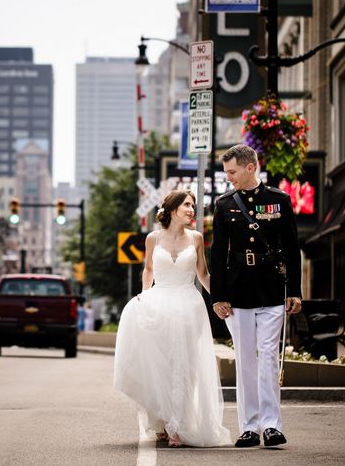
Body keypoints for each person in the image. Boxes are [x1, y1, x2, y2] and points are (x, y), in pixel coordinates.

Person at [114, 190, 230, 448]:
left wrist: (220, 299)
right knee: (161, 366)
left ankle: (178, 426)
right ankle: (162, 421)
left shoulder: (197, 238)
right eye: (187, 205)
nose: (192, 210)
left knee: (184, 368)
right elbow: (148, 270)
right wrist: (143, 299)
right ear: (173, 208)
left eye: (193, 205)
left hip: (189, 308)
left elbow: (203, 274)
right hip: (159, 306)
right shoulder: (153, 239)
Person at [210, 144, 302, 448]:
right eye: (226, 173)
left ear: (251, 167)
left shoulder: (278, 200)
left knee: (268, 361)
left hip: (272, 288)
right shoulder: (224, 205)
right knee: (246, 361)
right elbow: (217, 254)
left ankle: (272, 426)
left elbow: (291, 248)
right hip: (237, 292)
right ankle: (248, 427)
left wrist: (295, 290)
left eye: (232, 172)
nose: (229, 178)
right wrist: (218, 296)